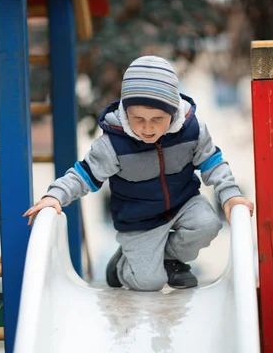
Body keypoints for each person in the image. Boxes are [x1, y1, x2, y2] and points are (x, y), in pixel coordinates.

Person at [23, 55, 254, 291]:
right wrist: (54, 196)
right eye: (138, 119)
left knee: (207, 224)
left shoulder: (192, 131)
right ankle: (122, 265)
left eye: (157, 119)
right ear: (126, 112)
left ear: (173, 111)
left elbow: (213, 163)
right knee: (149, 283)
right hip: (139, 221)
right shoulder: (114, 144)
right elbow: (83, 175)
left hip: (184, 204)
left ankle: (170, 259)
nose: (147, 128)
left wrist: (230, 195)